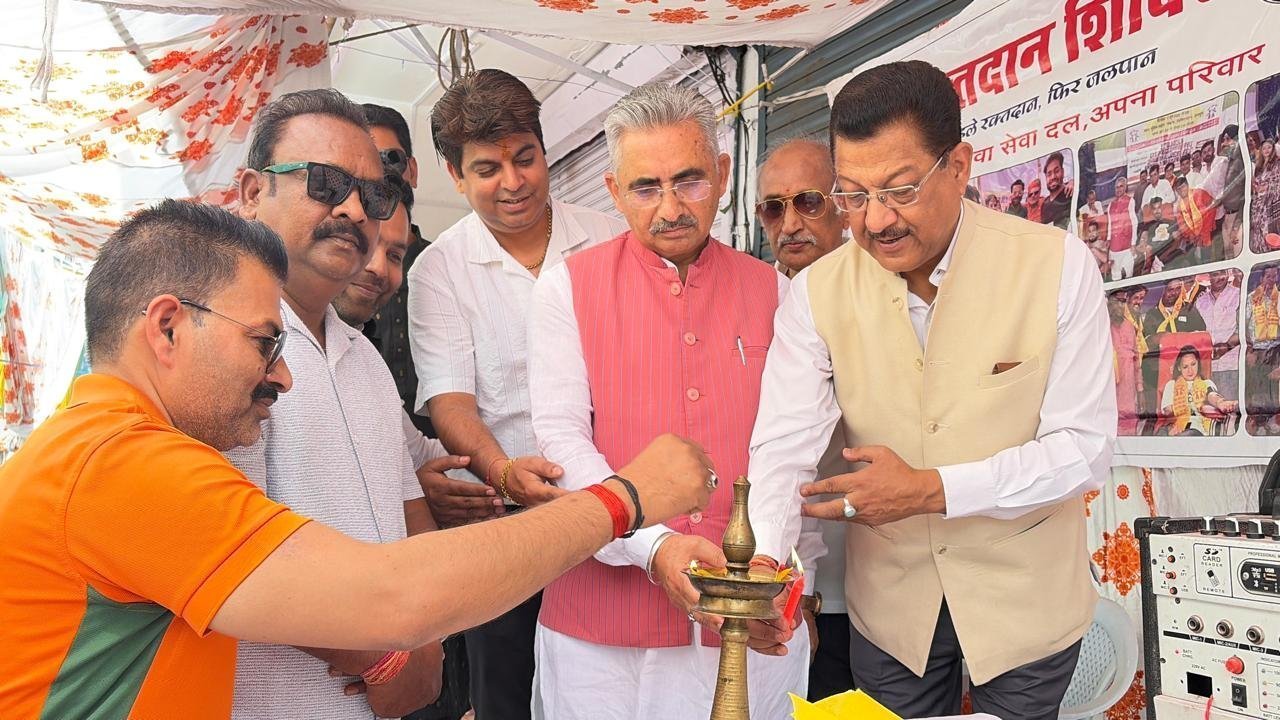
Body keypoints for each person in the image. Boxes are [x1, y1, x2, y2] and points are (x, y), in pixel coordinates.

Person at [0, 199, 714, 720]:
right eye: (264, 343)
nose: (283, 377)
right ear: (167, 327)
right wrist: (622, 499)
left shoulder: (104, 445)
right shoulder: (121, 463)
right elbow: (391, 598)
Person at [747, 60, 1116, 720]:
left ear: (959, 166)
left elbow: (1082, 449)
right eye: (852, 195)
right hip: (892, 611)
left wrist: (931, 490)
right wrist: (769, 565)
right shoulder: (814, 296)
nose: (876, 219)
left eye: (900, 190)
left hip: (1026, 602)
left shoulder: (1056, 265)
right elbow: (782, 447)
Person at [527, 82, 812, 720]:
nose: (670, 208)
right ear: (613, 191)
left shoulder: (777, 293)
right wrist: (654, 548)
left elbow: (788, 447)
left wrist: (765, 572)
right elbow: (562, 440)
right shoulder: (566, 289)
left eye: (689, 181)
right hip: (599, 629)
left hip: (746, 619)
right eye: (645, 188)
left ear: (723, 175)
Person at [407, 68, 627, 720]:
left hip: (616, 509)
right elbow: (450, 402)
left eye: (525, 158)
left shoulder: (610, 239)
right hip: (506, 522)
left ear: (543, 148)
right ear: (455, 175)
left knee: (611, 690)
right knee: (508, 696)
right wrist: (504, 472)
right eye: (487, 169)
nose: (513, 182)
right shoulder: (439, 270)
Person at [227, 88, 443, 720]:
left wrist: (429, 636)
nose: (352, 209)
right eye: (325, 182)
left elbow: (409, 514)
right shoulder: (220, 341)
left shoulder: (365, 358)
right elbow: (228, 550)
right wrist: (385, 659)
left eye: (372, 196)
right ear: (252, 192)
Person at [331, 174, 474, 720]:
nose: (377, 269)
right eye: (363, 245)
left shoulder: (361, 358)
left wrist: (507, 467)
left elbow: (413, 458)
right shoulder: (263, 350)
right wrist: (389, 659)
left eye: (394, 254)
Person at [753, 136, 854, 701]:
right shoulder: (754, 301)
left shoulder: (877, 289)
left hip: (871, 577)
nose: (789, 223)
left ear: (845, 202)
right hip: (784, 579)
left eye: (808, 202)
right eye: (774, 208)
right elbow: (780, 451)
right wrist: (799, 593)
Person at [360, 104, 433, 437]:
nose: (380, 175)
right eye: (365, 163)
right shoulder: (333, 272)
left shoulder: (446, 265)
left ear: (412, 170)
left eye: (390, 159)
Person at [1140, 278, 1206, 423]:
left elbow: (1202, 335)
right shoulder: (1151, 314)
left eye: (1177, 289)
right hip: (1157, 374)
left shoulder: (1189, 309)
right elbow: (1144, 344)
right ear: (1163, 290)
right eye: (1170, 290)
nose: (1174, 293)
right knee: (1160, 414)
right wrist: (1157, 339)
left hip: (1185, 374)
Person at [1160, 345, 1238, 435]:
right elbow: (1167, 411)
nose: (1190, 370)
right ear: (1179, 368)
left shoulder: (1206, 383)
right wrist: (1184, 407)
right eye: (1185, 367)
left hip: (1200, 429)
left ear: (1198, 363)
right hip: (1177, 427)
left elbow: (1211, 395)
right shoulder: (1171, 385)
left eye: (1193, 364)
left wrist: (1221, 403)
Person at [1193, 269, 1241, 402]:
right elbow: (1197, 332)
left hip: (1232, 365)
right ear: (1209, 276)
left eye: (1223, 273)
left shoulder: (1238, 295)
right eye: (1215, 274)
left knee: (1230, 406)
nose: (1220, 278)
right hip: (1207, 368)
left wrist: (1227, 346)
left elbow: (1244, 328)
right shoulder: (1200, 301)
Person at [1246, 266, 1280, 435]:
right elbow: (1242, 326)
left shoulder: (1278, 298)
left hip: (1276, 350)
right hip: (1256, 352)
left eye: (1275, 276)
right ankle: (1257, 425)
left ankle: (1273, 424)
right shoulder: (1251, 299)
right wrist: (1249, 350)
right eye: (1268, 276)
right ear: (1261, 279)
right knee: (1256, 390)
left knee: (1274, 390)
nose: (1272, 280)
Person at [1211, 125, 1247, 259]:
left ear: (1237, 140)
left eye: (1227, 139)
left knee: (1238, 258)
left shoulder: (1242, 162)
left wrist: (1237, 226)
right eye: (1223, 140)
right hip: (1227, 217)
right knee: (1228, 258)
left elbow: (1246, 196)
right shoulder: (1227, 163)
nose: (1224, 144)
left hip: (1238, 218)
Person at [1110, 290, 1142, 436]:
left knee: (1129, 429)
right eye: (1117, 301)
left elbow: (1136, 361)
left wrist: (1140, 390)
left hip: (1128, 393)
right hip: (1109, 393)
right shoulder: (1102, 327)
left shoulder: (1129, 327)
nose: (1120, 305)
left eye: (1123, 302)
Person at [1172, 175, 1214, 264]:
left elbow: (1212, 207)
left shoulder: (1199, 193)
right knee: (1195, 261)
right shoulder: (1179, 206)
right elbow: (1182, 224)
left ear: (1187, 185)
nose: (1181, 190)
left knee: (1208, 260)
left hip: (1206, 232)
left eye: (1183, 187)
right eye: (1178, 189)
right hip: (1193, 238)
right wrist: (1191, 235)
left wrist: (1205, 230)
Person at [1250, 137, 1280, 253]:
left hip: (1270, 202)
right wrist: (1256, 187)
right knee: (1257, 227)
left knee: (1268, 228)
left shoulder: (1277, 164)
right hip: (1258, 203)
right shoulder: (1258, 167)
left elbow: (1277, 181)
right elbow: (1255, 184)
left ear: (1273, 149)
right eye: (1264, 148)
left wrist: (1267, 187)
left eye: (1269, 147)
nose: (1266, 150)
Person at [1107, 175, 1138, 280]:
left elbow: (1134, 222)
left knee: (1129, 274)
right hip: (1114, 246)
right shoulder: (1111, 204)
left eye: (1121, 186)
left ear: (1125, 187)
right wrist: (1108, 239)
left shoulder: (1130, 201)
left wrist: (1133, 244)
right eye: (1117, 187)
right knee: (1116, 275)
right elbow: (1110, 223)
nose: (1119, 189)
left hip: (1127, 245)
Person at [1040, 151, 1072, 230]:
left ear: (1063, 172)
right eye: (1049, 174)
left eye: (1056, 171)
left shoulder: (1071, 192)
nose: (1053, 177)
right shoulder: (1044, 204)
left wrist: (1075, 182)